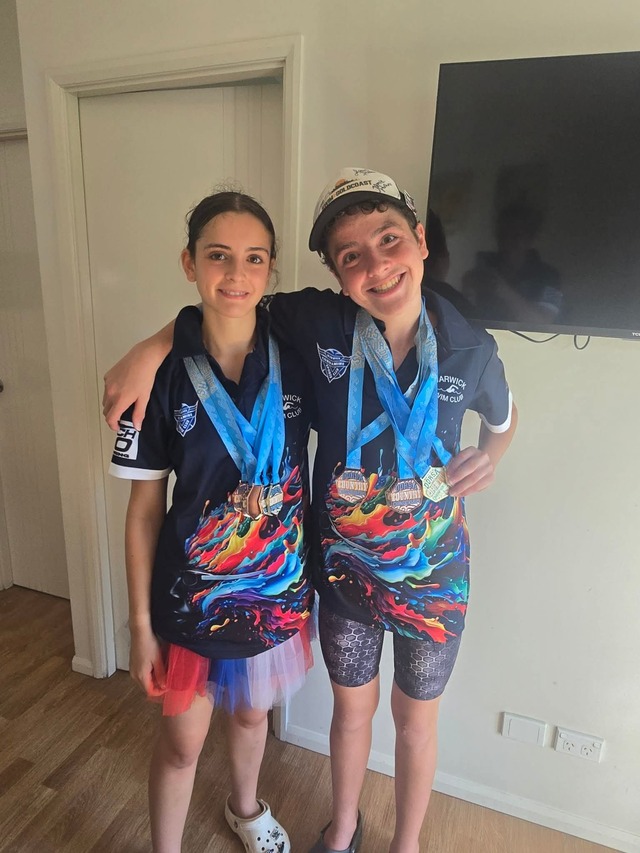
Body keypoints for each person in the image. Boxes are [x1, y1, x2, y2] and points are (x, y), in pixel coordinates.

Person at [104, 169, 518, 853]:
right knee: (269, 728)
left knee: (373, 722)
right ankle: (335, 829)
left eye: (389, 240)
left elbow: (504, 419)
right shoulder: (305, 331)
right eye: (351, 255)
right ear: (335, 273)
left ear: (420, 240)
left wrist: (492, 456)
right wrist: (153, 347)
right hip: (292, 585)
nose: (376, 265)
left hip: (399, 580)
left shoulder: (461, 346)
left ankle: (378, 837)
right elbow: (225, 310)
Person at [109, 191, 314, 853]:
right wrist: (140, 626)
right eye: (218, 255)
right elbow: (144, 511)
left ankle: (246, 810)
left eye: (254, 258)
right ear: (189, 262)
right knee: (181, 743)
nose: (236, 273)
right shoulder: (158, 376)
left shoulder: (299, 352)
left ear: (272, 268)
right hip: (190, 601)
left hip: (273, 588)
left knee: (254, 716)